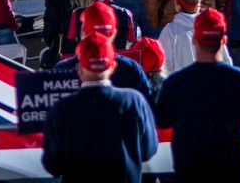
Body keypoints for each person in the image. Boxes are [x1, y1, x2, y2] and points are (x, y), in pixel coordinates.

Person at [154, 8, 240, 182]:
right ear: (224, 40)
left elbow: (163, 121)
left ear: (195, 40)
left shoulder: (174, 85)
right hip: (233, 172)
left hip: (190, 173)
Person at [42, 33, 159, 183]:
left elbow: (53, 164)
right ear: (113, 66)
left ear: (78, 68)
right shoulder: (134, 101)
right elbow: (148, 149)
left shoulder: (61, 107)